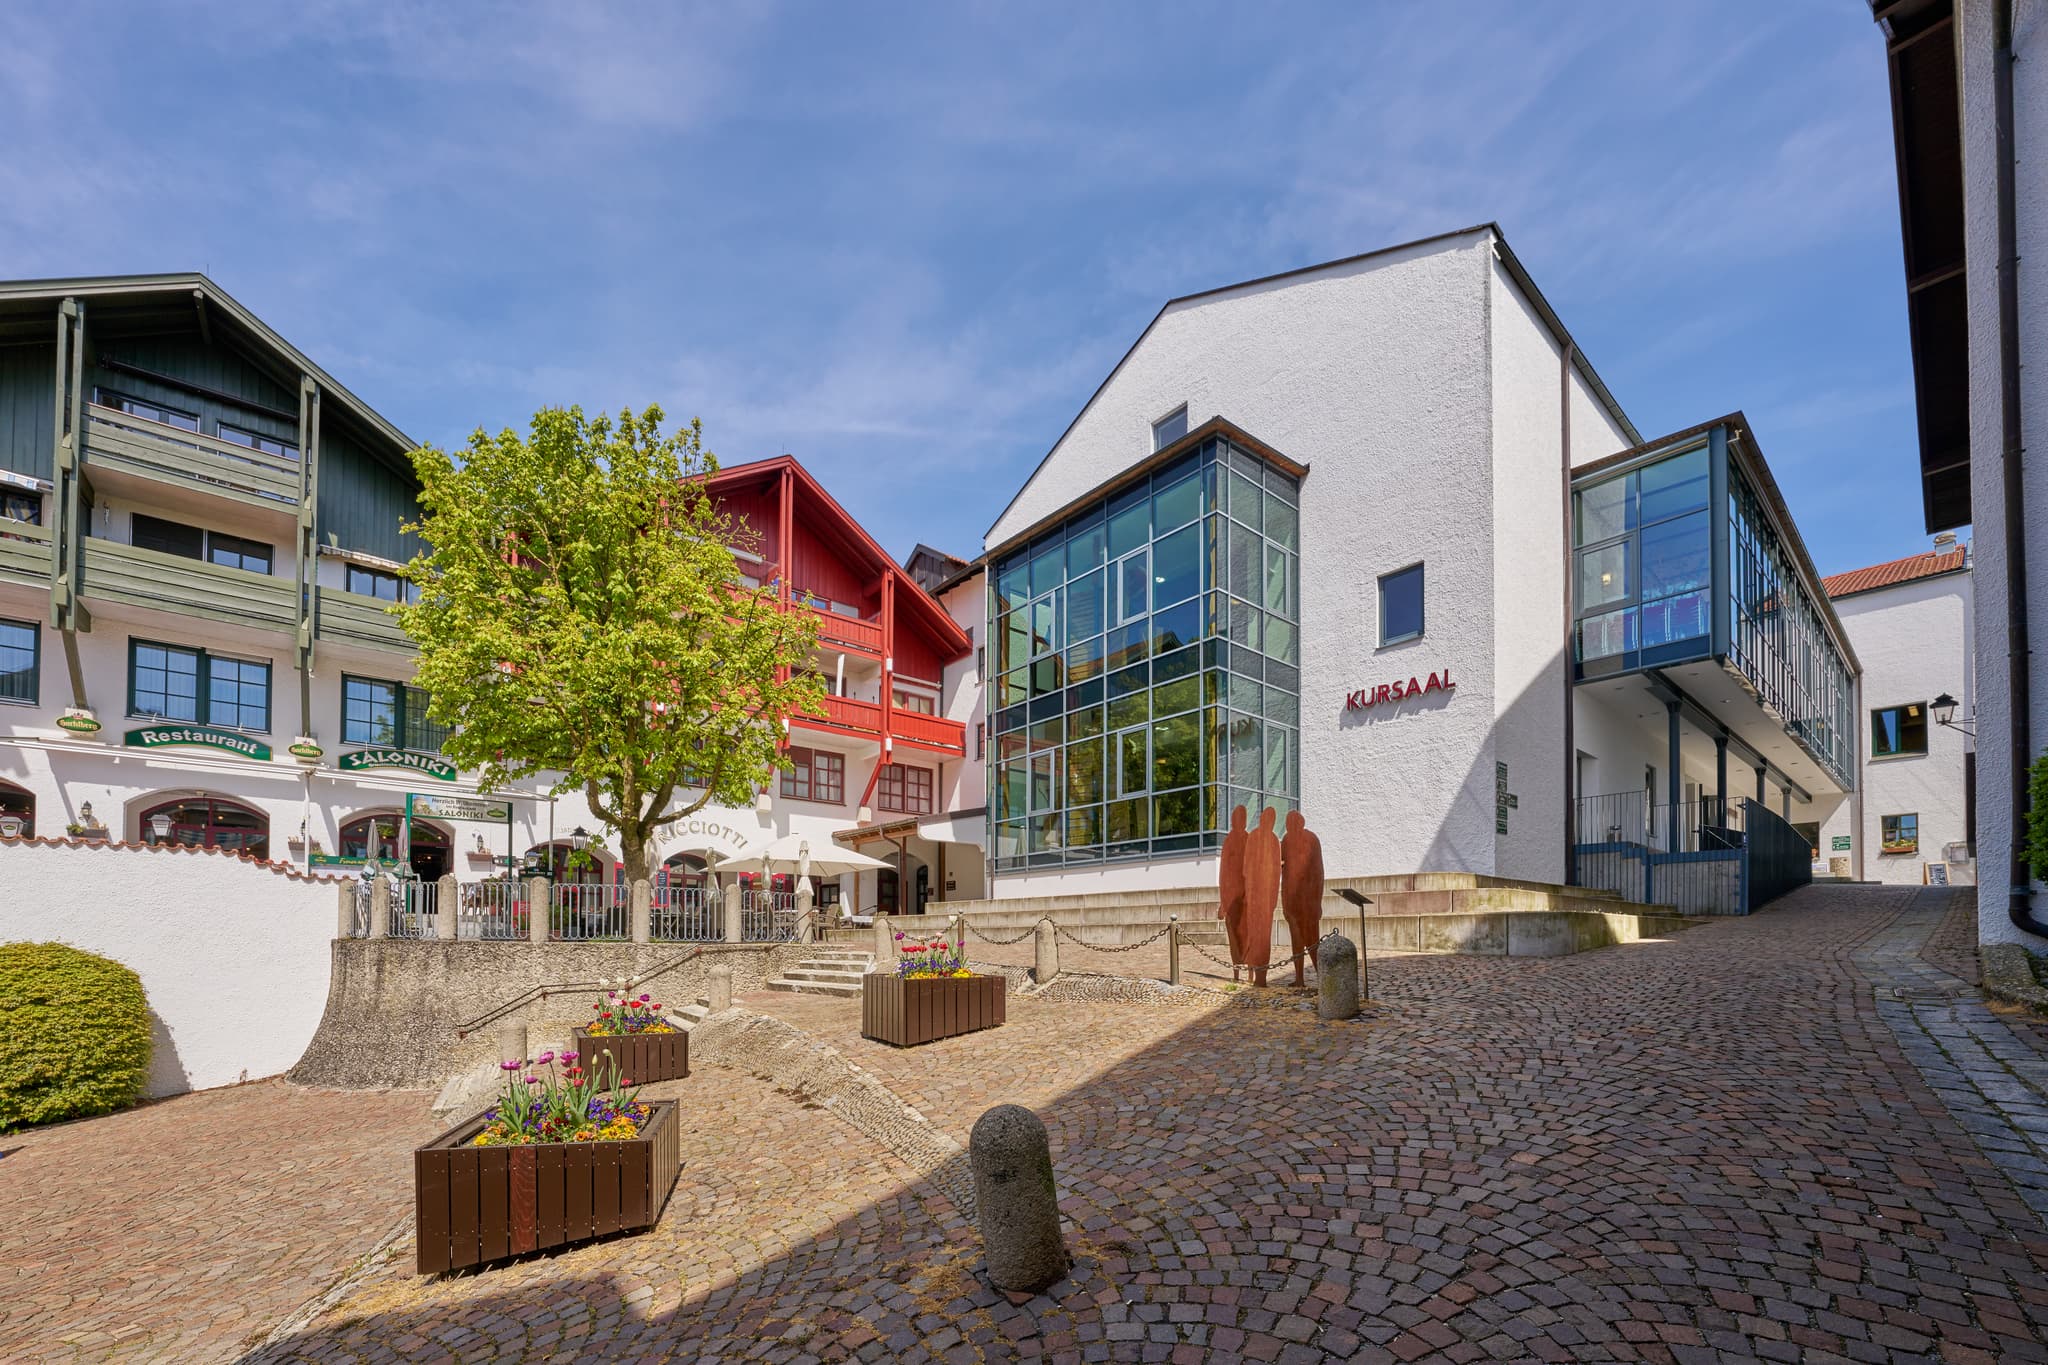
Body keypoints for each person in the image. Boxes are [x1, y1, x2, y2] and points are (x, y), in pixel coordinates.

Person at [1280, 811, 1326, 987]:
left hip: (1308, 901)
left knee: (1312, 941)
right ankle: (1299, 978)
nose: (1288, 825)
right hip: (1292, 901)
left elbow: (1318, 872)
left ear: (1300, 822)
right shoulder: (1286, 840)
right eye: (1288, 823)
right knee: (1297, 942)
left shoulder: (1311, 839)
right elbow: (1282, 867)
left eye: (1291, 822)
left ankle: (1322, 976)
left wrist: (1317, 901)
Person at [1241, 807, 1281, 987]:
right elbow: (1246, 868)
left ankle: (1261, 976)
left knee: (1263, 936)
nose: (1269, 822)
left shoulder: (1273, 841)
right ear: (1262, 819)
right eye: (1267, 818)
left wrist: (1272, 899)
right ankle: (1251, 972)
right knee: (1254, 934)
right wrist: (1249, 893)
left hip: (1266, 898)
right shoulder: (1254, 837)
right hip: (1255, 895)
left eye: (1271, 819)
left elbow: (1276, 873)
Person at [1218, 806, 1249, 982]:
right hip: (1231, 896)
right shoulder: (1229, 841)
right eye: (1236, 818)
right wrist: (1224, 901)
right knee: (1234, 937)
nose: (1239, 822)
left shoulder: (1249, 839)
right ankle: (1236, 972)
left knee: (1247, 934)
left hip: (1246, 897)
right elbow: (1224, 872)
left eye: (1241, 818)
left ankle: (1252, 971)